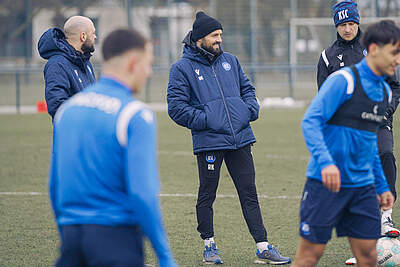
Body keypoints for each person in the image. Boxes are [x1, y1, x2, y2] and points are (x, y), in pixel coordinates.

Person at [167, 11, 291, 265]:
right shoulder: (181, 68)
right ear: (200, 38)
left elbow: (247, 89)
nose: (219, 40)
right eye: (214, 35)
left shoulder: (230, 61)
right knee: (207, 193)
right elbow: (176, 107)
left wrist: (249, 110)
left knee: (249, 193)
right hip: (210, 142)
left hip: (241, 140)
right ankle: (209, 246)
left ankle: (263, 247)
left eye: (220, 35)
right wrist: (208, 120)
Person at [49, 28, 177, 267]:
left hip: (72, 239)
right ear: (132, 63)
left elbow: (55, 185)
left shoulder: (67, 111)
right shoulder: (135, 115)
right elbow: (143, 194)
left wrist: (67, 233)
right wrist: (165, 256)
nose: (149, 73)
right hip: (117, 241)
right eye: (148, 64)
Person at [292, 20, 400, 267]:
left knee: (369, 257)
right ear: (373, 49)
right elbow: (311, 121)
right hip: (326, 184)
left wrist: (383, 186)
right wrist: (327, 163)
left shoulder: (383, 91)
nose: (398, 60)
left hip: (362, 188)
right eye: (394, 52)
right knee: (309, 256)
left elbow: (368, 143)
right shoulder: (344, 81)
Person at [38, 15, 97, 119]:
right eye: (93, 33)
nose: (95, 37)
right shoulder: (57, 65)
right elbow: (57, 106)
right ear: (83, 36)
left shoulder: (86, 62)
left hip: (89, 134)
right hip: (71, 134)